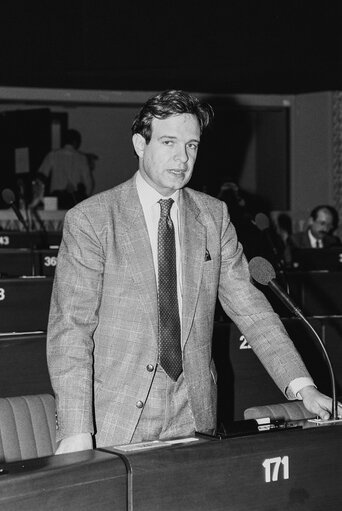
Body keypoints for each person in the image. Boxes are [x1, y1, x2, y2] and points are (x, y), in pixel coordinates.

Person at [47, 90, 341, 455]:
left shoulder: (213, 217)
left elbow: (253, 311)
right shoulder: (92, 220)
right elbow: (71, 332)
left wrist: (303, 388)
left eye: (192, 145)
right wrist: (76, 430)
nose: (182, 157)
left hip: (195, 415)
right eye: (169, 142)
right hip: (114, 419)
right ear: (140, 143)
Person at [37, 129, 92, 209]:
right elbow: (89, 183)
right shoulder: (81, 158)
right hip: (75, 198)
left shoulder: (53, 155)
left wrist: (41, 197)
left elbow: (41, 176)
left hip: (57, 198)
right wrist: (84, 198)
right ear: (75, 142)